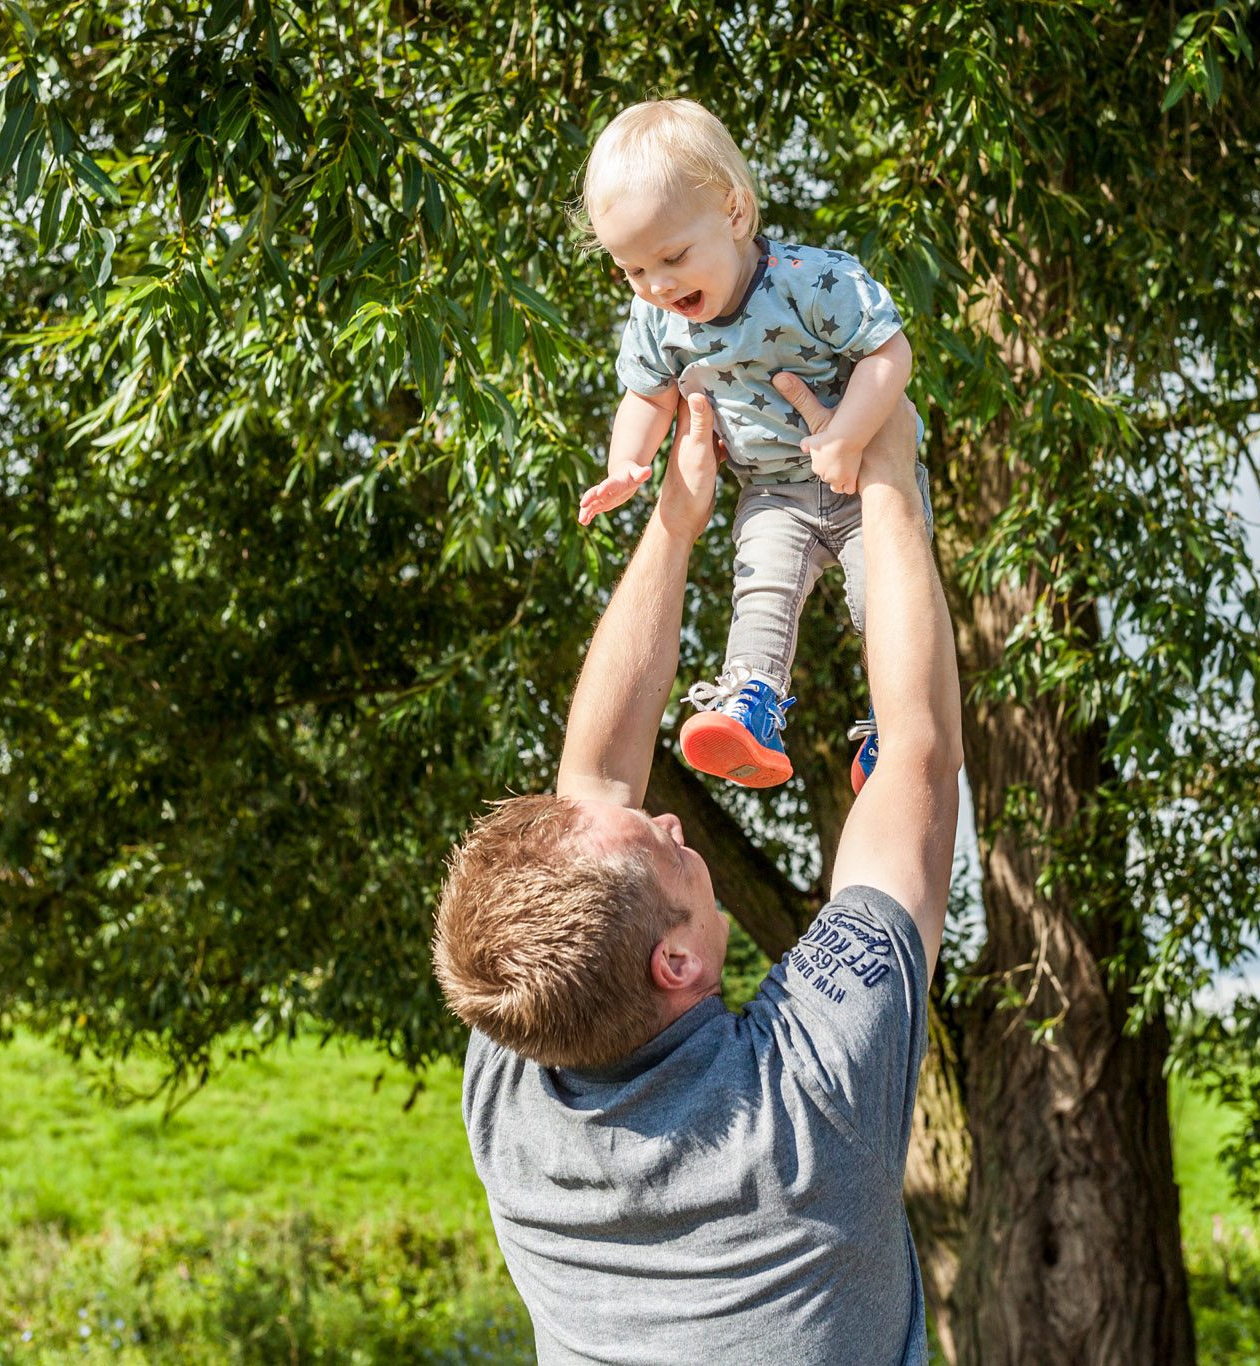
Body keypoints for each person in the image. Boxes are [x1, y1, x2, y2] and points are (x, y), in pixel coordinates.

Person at [432, 371, 963, 1365]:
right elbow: (920, 749)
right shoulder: (805, 1111)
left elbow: (594, 782)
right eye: (664, 853)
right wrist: (884, 466)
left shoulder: (517, 1057)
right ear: (673, 962)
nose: (673, 823)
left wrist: (675, 519)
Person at [574, 98, 924, 794]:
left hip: (862, 479)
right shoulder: (654, 320)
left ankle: (897, 725)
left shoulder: (810, 282)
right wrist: (627, 464)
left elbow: (891, 351)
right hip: (773, 494)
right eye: (634, 271)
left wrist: (849, 434)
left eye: (672, 257)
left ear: (735, 214)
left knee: (880, 595)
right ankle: (750, 709)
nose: (658, 286)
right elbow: (648, 396)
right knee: (761, 589)